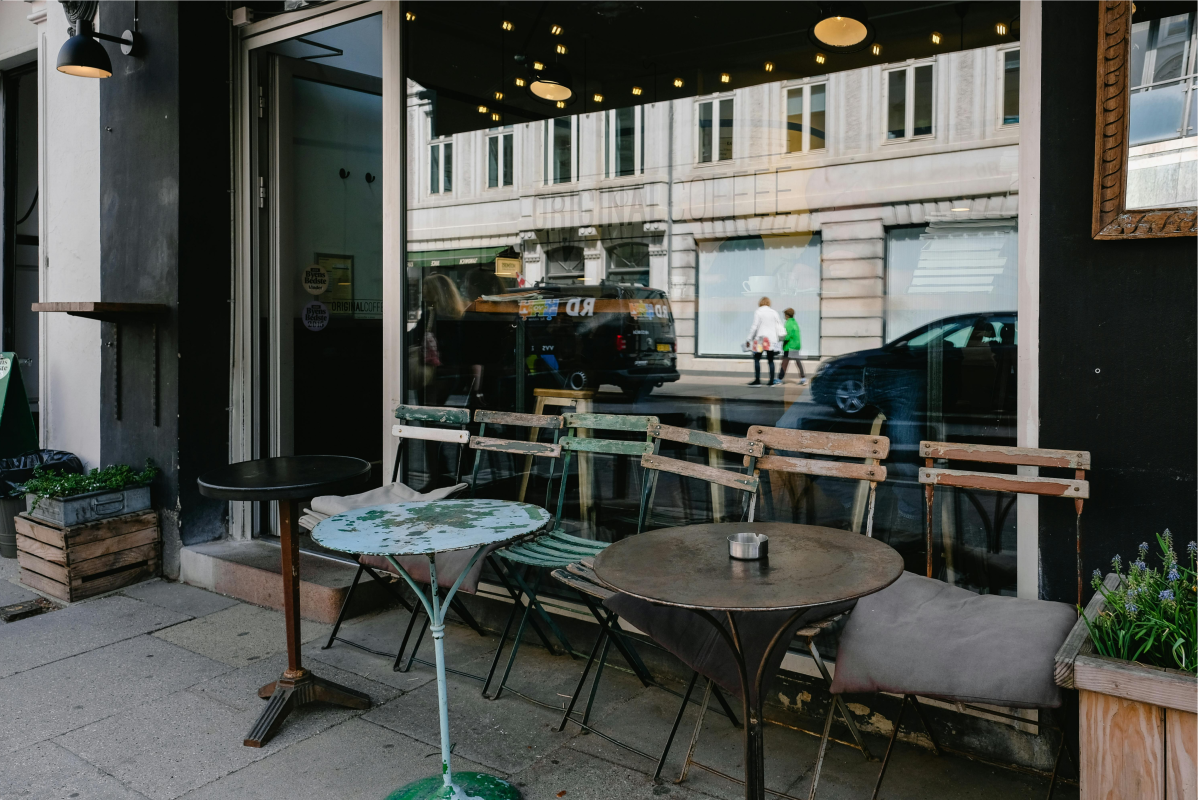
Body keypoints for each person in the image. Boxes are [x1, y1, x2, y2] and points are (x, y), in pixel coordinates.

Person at [746, 296, 784, 386]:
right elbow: (779, 325)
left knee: (756, 359)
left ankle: (757, 380)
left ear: (760, 303)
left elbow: (754, 326)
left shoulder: (758, 312)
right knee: (771, 360)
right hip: (772, 340)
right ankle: (771, 381)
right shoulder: (774, 312)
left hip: (760, 339)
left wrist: (749, 339)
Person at [778, 307, 806, 385]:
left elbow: (787, 335)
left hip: (789, 346)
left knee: (784, 363)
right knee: (798, 362)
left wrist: (780, 338)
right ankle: (803, 378)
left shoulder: (788, 323)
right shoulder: (795, 322)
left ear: (787, 315)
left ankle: (779, 379)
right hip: (796, 345)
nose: (784, 316)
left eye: (784, 315)